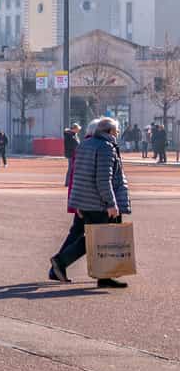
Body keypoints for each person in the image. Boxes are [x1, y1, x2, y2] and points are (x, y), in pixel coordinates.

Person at [50, 116, 131, 288]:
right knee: (99, 240)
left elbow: (78, 175)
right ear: (109, 131)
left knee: (98, 239)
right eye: (116, 131)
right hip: (99, 202)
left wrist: (78, 203)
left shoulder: (85, 145)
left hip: (85, 200)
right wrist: (111, 203)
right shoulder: (106, 147)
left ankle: (104, 277)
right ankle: (61, 260)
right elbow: (104, 179)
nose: (117, 134)